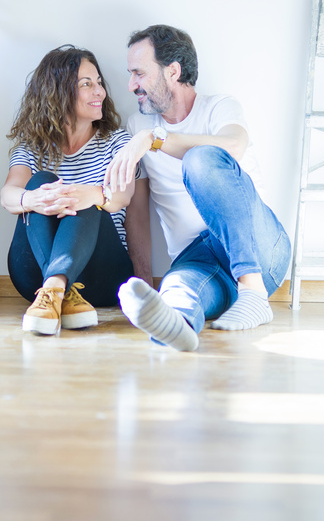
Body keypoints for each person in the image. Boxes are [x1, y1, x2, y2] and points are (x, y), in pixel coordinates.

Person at [104, 24, 291, 352]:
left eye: (139, 73)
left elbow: (233, 145)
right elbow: (137, 211)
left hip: (258, 250)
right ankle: (177, 326)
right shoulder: (138, 126)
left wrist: (155, 140)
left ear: (172, 71)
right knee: (176, 290)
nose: (131, 85)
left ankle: (253, 292)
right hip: (197, 260)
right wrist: (144, 282)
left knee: (201, 159)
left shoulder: (219, 107)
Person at [1, 45, 141, 335]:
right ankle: (60, 292)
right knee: (40, 182)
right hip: (32, 274)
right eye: (87, 84)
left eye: (99, 83)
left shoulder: (117, 143)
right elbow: (8, 195)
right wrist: (32, 198)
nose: (99, 92)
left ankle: (54, 288)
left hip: (102, 274)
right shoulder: (32, 148)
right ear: (58, 92)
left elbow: (123, 197)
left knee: (86, 197)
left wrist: (93, 195)